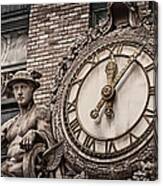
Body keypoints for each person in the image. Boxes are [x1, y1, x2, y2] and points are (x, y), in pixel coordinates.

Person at [1, 70, 54, 177]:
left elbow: (50, 140)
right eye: (16, 88)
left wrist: (35, 134)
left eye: (23, 87)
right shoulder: (10, 124)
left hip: (27, 168)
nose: (19, 92)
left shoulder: (39, 112)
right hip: (7, 166)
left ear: (32, 89)